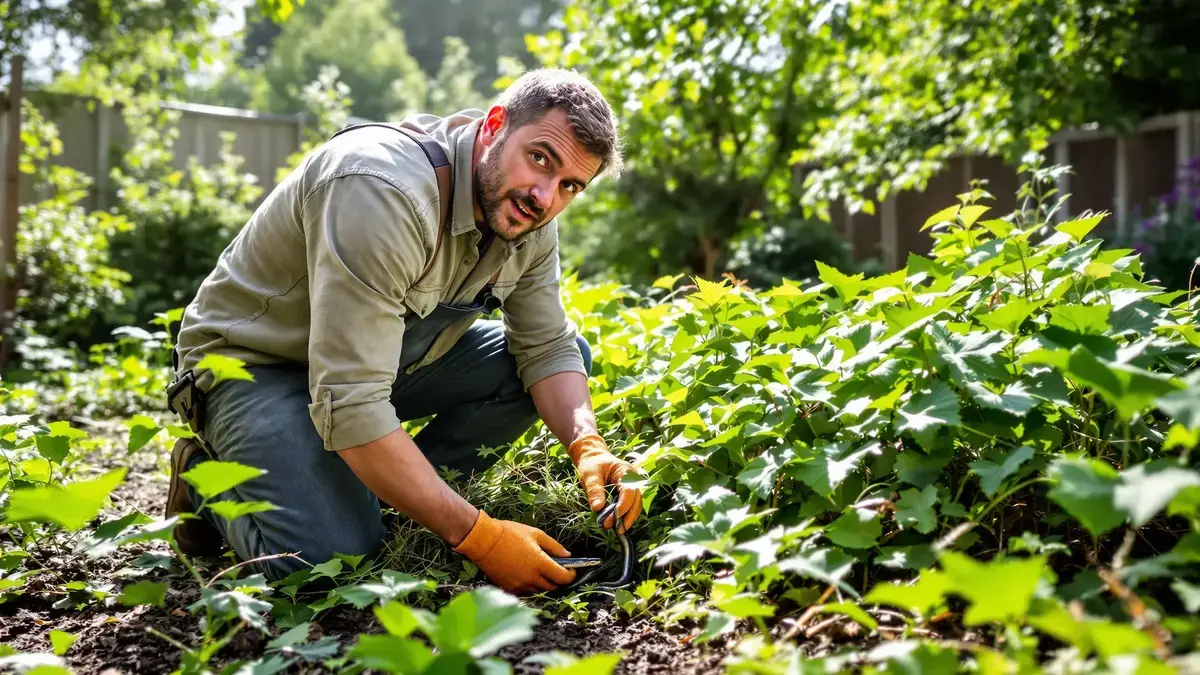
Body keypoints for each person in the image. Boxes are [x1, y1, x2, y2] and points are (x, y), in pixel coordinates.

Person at [162, 68, 644, 595]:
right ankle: (203, 484)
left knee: (555, 358)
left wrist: (588, 445)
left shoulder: (527, 214)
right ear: (495, 125)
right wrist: (480, 538)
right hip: (254, 366)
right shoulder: (381, 189)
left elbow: (547, 347)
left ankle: (390, 500)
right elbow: (351, 401)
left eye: (569, 185)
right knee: (330, 563)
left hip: (369, 362)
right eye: (540, 158)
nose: (545, 196)